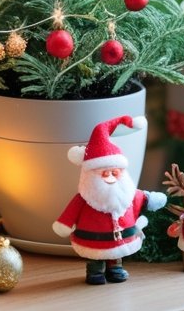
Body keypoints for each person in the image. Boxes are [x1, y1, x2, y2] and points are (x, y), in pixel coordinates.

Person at [53, 115, 166, 284]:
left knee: (116, 254)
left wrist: (152, 199)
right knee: (95, 257)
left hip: (120, 239)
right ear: (90, 174)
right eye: (104, 173)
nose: (111, 177)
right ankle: (95, 271)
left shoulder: (128, 193)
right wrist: (64, 224)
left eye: (115, 172)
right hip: (92, 241)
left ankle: (115, 268)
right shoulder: (84, 198)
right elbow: (70, 213)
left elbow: (141, 198)